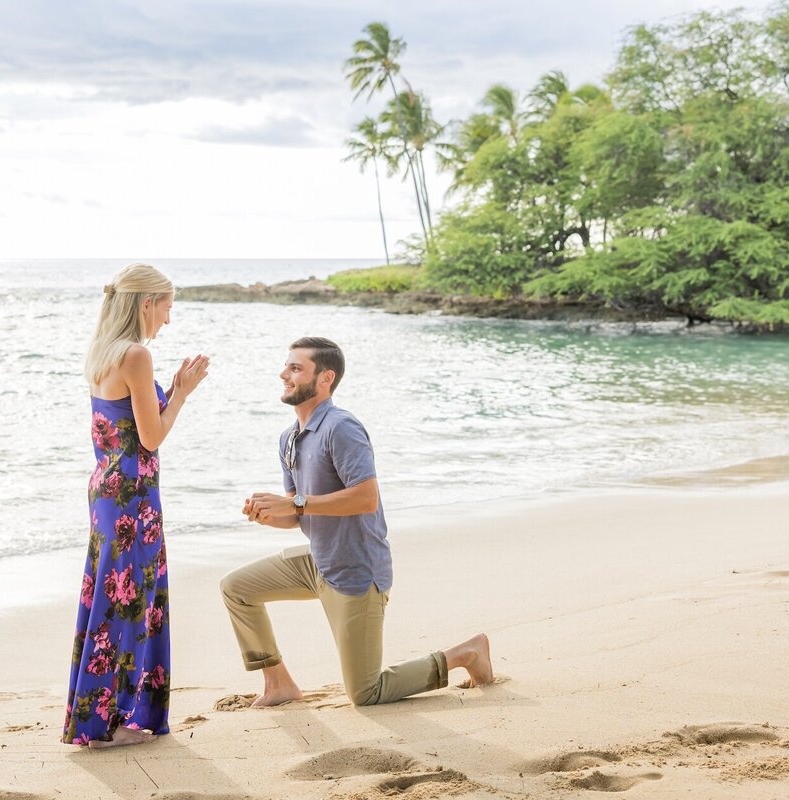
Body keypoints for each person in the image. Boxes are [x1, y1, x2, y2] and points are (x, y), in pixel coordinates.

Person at [221, 336, 493, 707]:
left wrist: (296, 505)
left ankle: (465, 654)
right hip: (318, 560)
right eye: (287, 365)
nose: (283, 373)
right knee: (237, 588)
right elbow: (300, 510)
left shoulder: (341, 427)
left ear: (325, 378)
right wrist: (271, 515)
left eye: (296, 368)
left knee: (367, 692)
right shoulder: (289, 438)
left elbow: (366, 499)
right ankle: (279, 683)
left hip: (355, 572)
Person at [62, 263, 209, 748]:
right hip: (132, 497)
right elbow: (151, 437)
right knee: (132, 603)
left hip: (106, 490)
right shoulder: (136, 356)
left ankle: (99, 718)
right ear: (146, 303)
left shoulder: (103, 352)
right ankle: (110, 725)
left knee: (109, 598)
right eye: (167, 307)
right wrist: (182, 394)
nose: (168, 319)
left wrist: (167, 390)